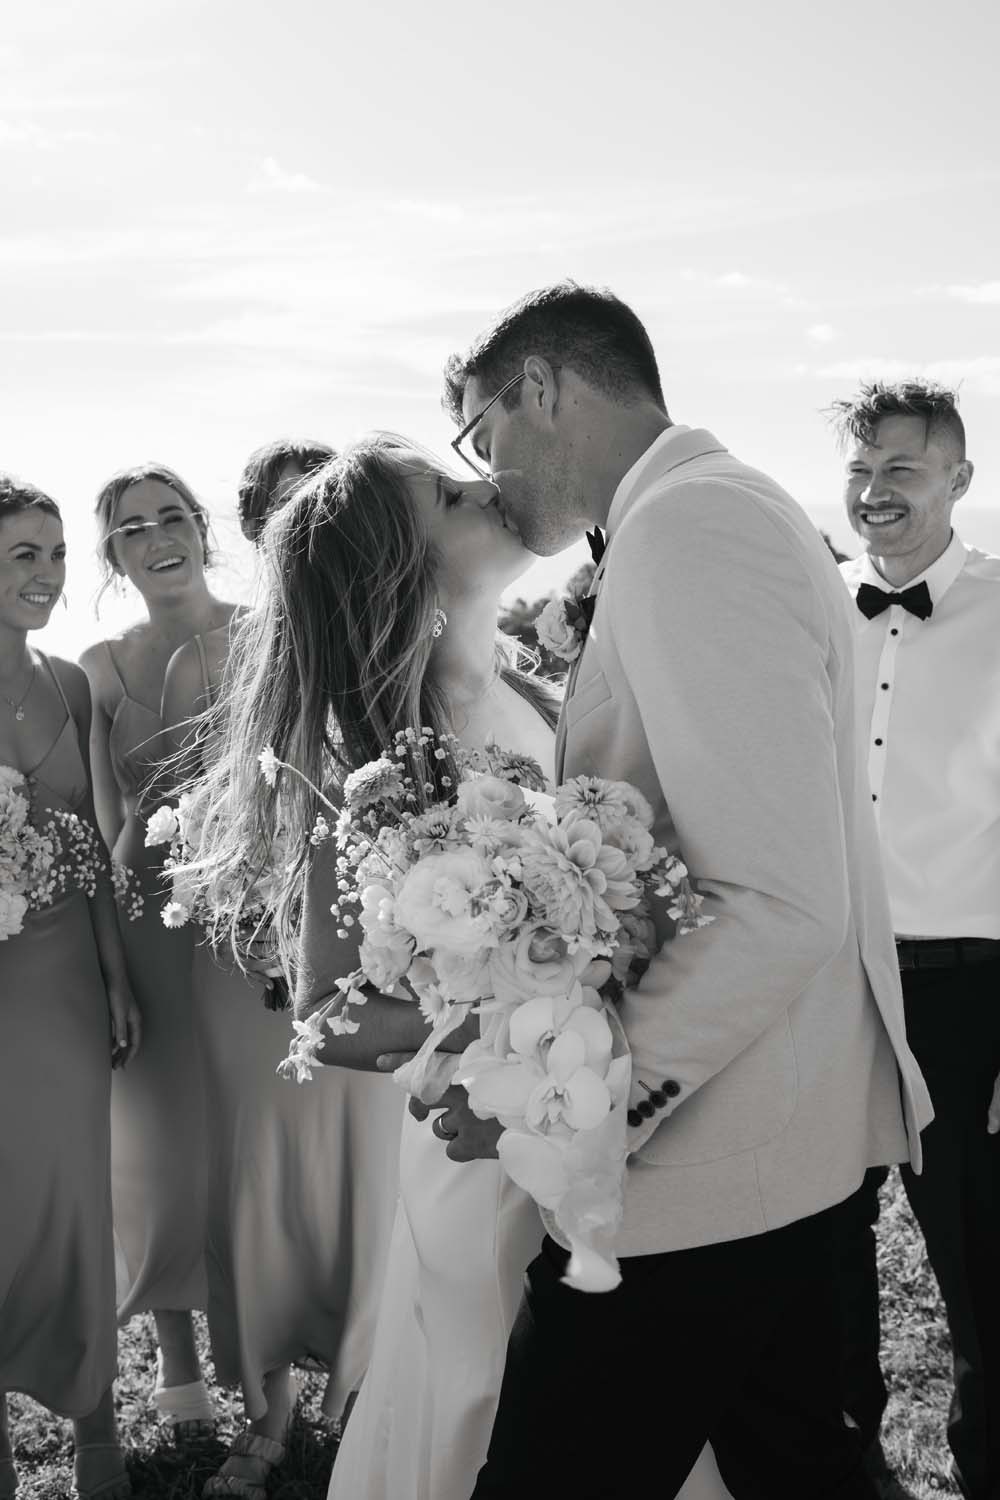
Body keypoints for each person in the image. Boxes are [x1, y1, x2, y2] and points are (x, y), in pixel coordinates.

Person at [439, 281, 934, 1500]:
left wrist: (578, 1109)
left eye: (480, 434)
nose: (488, 471)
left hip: (712, 1170)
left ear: (542, 387)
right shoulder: (711, 511)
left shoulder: (692, 528)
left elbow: (777, 899)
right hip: (779, 1142)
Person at [185, 432, 727, 1500]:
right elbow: (330, 1015)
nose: (488, 486)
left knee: (629, 1410)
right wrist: (520, 1033)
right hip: (485, 1149)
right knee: (491, 1403)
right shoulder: (388, 747)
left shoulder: (543, 691)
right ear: (402, 562)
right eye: (448, 492)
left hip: (603, 1118)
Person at [161, 437, 399, 1500]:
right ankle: (266, 1411)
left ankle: (367, 1396)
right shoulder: (207, 655)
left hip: (362, 973)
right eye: (275, 506)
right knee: (256, 1192)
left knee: (361, 1190)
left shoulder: (394, 645)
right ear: (258, 529)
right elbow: (203, 820)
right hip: (248, 974)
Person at [833, 380, 1000, 1500]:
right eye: (861, 468)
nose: (875, 490)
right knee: (818, 1251)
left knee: (981, 1263)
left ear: (958, 481)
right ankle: (842, 1467)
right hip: (833, 982)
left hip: (969, 987)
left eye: (902, 468)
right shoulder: (806, 609)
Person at [80, 463, 240, 1440]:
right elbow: (102, 827)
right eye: (132, 529)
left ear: (202, 531)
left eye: (173, 517)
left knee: (253, 1147)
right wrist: (105, 965)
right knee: (158, 1154)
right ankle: (180, 1377)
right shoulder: (98, 668)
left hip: (252, 923)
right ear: (114, 557)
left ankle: (275, 1359)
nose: (157, 537)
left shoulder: (272, 634)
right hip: (146, 920)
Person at [0, 475, 141, 1500]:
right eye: (22, 555)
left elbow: (92, 841)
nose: (46, 575)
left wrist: (116, 975)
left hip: (61, 994)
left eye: (54, 554)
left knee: (73, 1199)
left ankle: (97, 1429)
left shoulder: (70, 685)